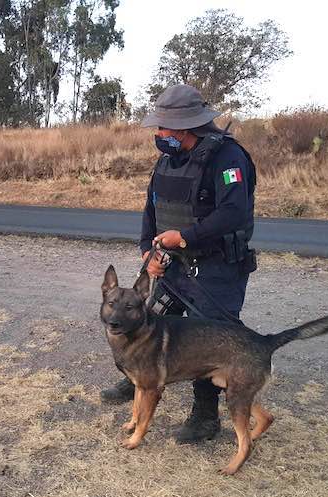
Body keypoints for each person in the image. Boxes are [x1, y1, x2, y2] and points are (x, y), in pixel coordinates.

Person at [100, 83, 258, 444]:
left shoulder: (228, 158)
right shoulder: (169, 158)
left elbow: (234, 212)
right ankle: (138, 379)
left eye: (163, 128)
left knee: (209, 341)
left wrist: (186, 237)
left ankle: (205, 417)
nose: (158, 134)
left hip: (216, 269)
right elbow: (152, 206)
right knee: (143, 321)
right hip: (173, 266)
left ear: (186, 127)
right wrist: (147, 249)